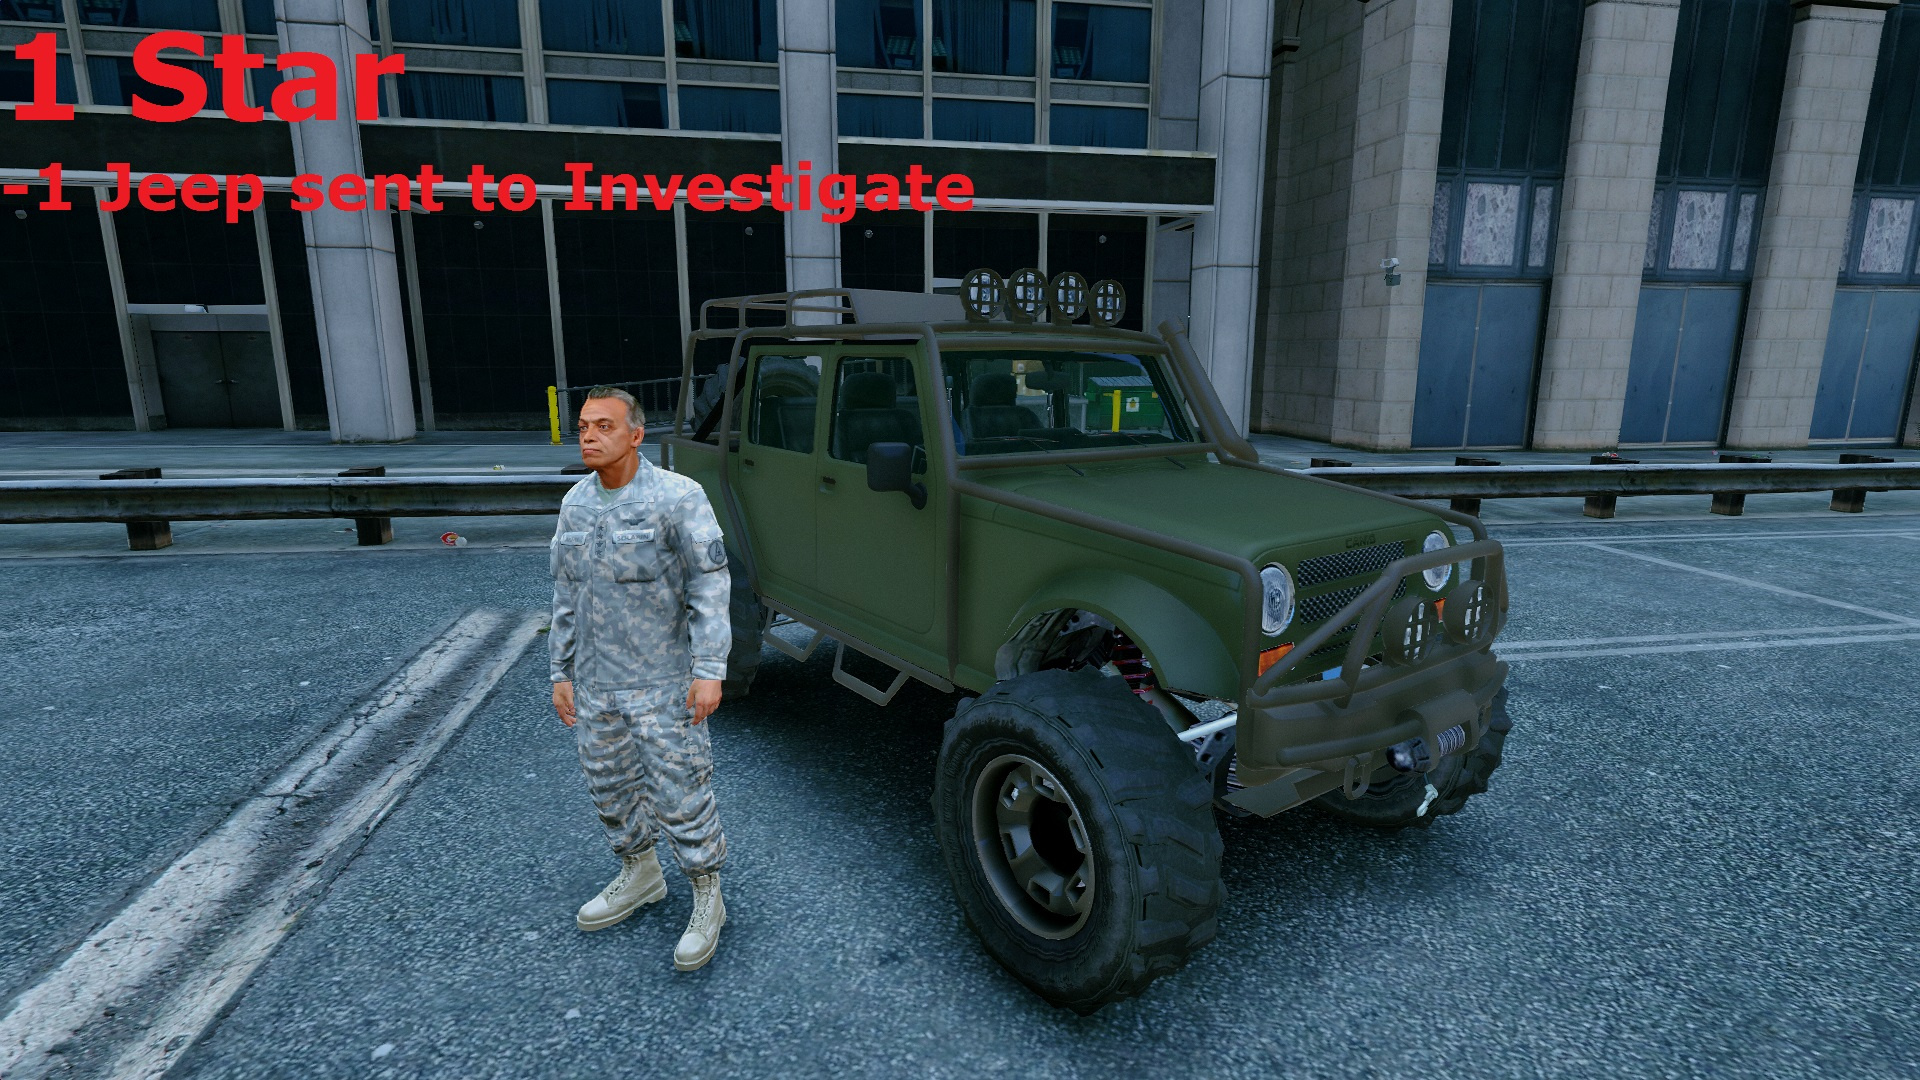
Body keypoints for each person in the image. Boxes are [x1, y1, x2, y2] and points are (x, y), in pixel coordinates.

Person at [549, 386, 732, 971]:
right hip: (596, 684)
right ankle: (641, 872)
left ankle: (707, 893)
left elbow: (710, 586)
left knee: (681, 793)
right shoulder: (576, 503)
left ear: (636, 435)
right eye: (583, 426)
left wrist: (709, 670)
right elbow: (565, 594)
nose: (589, 436)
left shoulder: (678, 497)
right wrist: (560, 671)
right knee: (610, 788)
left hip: (661, 682)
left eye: (604, 426)